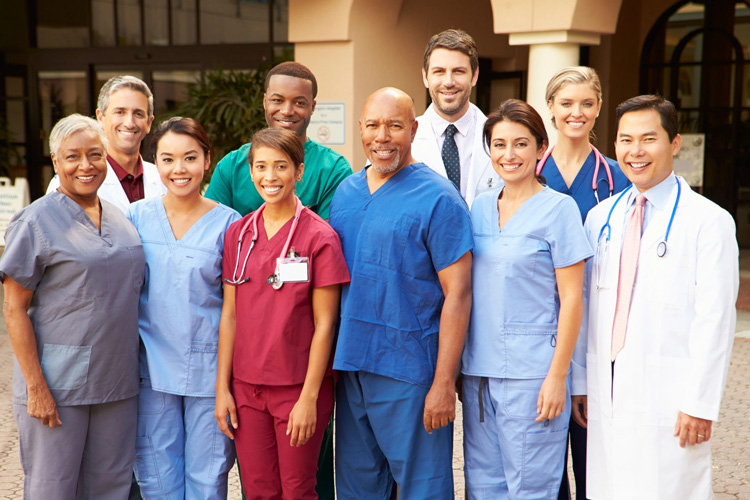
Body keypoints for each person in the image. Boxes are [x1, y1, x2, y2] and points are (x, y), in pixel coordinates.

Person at [578, 95, 738, 499]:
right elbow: (588, 310)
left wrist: (700, 402)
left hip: (671, 398)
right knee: (609, 488)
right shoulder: (601, 218)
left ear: (676, 143)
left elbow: (715, 320)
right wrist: (580, 380)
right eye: (625, 140)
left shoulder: (709, 222)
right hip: (608, 388)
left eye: (648, 139)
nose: (635, 151)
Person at [329, 87, 473, 499]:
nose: (382, 136)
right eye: (373, 125)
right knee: (358, 488)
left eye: (395, 125)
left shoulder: (438, 197)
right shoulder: (347, 192)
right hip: (352, 364)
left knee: (422, 488)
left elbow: (459, 294)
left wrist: (444, 382)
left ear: (413, 129)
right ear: (360, 129)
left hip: (410, 369)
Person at [0, 114, 145, 498]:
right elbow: (14, 309)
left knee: (111, 487)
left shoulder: (121, 217)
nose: (86, 165)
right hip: (57, 384)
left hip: (118, 381)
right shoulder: (34, 221)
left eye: (95, 155)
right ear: (55, 161)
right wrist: (35, 388)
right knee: (54, 487)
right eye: (73, 157)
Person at [461, 99, 592, 499]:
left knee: (531, 489)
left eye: (520, 144)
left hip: (533, 375)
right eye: (499, 145)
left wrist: (559, 379)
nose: (509, 154)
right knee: (483, 488)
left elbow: (572, 299)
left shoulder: (559, 209)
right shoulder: (480, 207)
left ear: (540, 148)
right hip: (478, 377)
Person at [215, 128, 349, 500]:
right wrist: (222, 388)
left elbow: (326, 324)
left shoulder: (319, 237)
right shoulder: (239, 235)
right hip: (246, 388)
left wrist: (309, 398)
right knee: (256, 490)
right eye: (261, 167)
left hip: (297, 387)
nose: (269, 177)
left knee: (297, 489)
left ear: (299, 171)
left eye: (280, 166)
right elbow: (230, 315)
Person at [127, 117, 239, 499]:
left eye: (190, 158)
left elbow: (234, 309)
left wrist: (225, 383)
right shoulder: (135, 218)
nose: (179, 169)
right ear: (154, 163)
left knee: (208, 477)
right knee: (156, 474)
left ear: (208, 160)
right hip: (151, 370)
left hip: (209, 372)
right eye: (168, 159)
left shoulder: (229, 225)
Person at [541, 66, 630, 500]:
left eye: (587, 104)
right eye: (566, 103)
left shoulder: (618, 177)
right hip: (540, 330)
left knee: (594, 457)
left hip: (597, 327)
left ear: (597, 111)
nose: (576, 113)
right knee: (544, 462)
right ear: (551, 109)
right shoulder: (526, 171)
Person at [205, 61, 352, 218]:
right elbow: (213, 228)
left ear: (313, 107)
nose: (287, 111)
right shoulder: (232, 165)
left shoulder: (333, 169)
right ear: (265, 102)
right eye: (277, 100)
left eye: (299, 103)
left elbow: (328, 237)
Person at [47, 75, 166, 212]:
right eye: (120, 112)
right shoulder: (69, 181)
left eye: (138, 114)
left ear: (149, 123)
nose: (129, 123)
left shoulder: (163, 177)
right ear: (100, 118)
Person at [412, 29, 497, 207]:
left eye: (458, 71)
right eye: (439, 71)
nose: (448, 81)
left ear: (474, 76)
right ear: (425, 77)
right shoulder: (404, 140)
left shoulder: (498, 137)